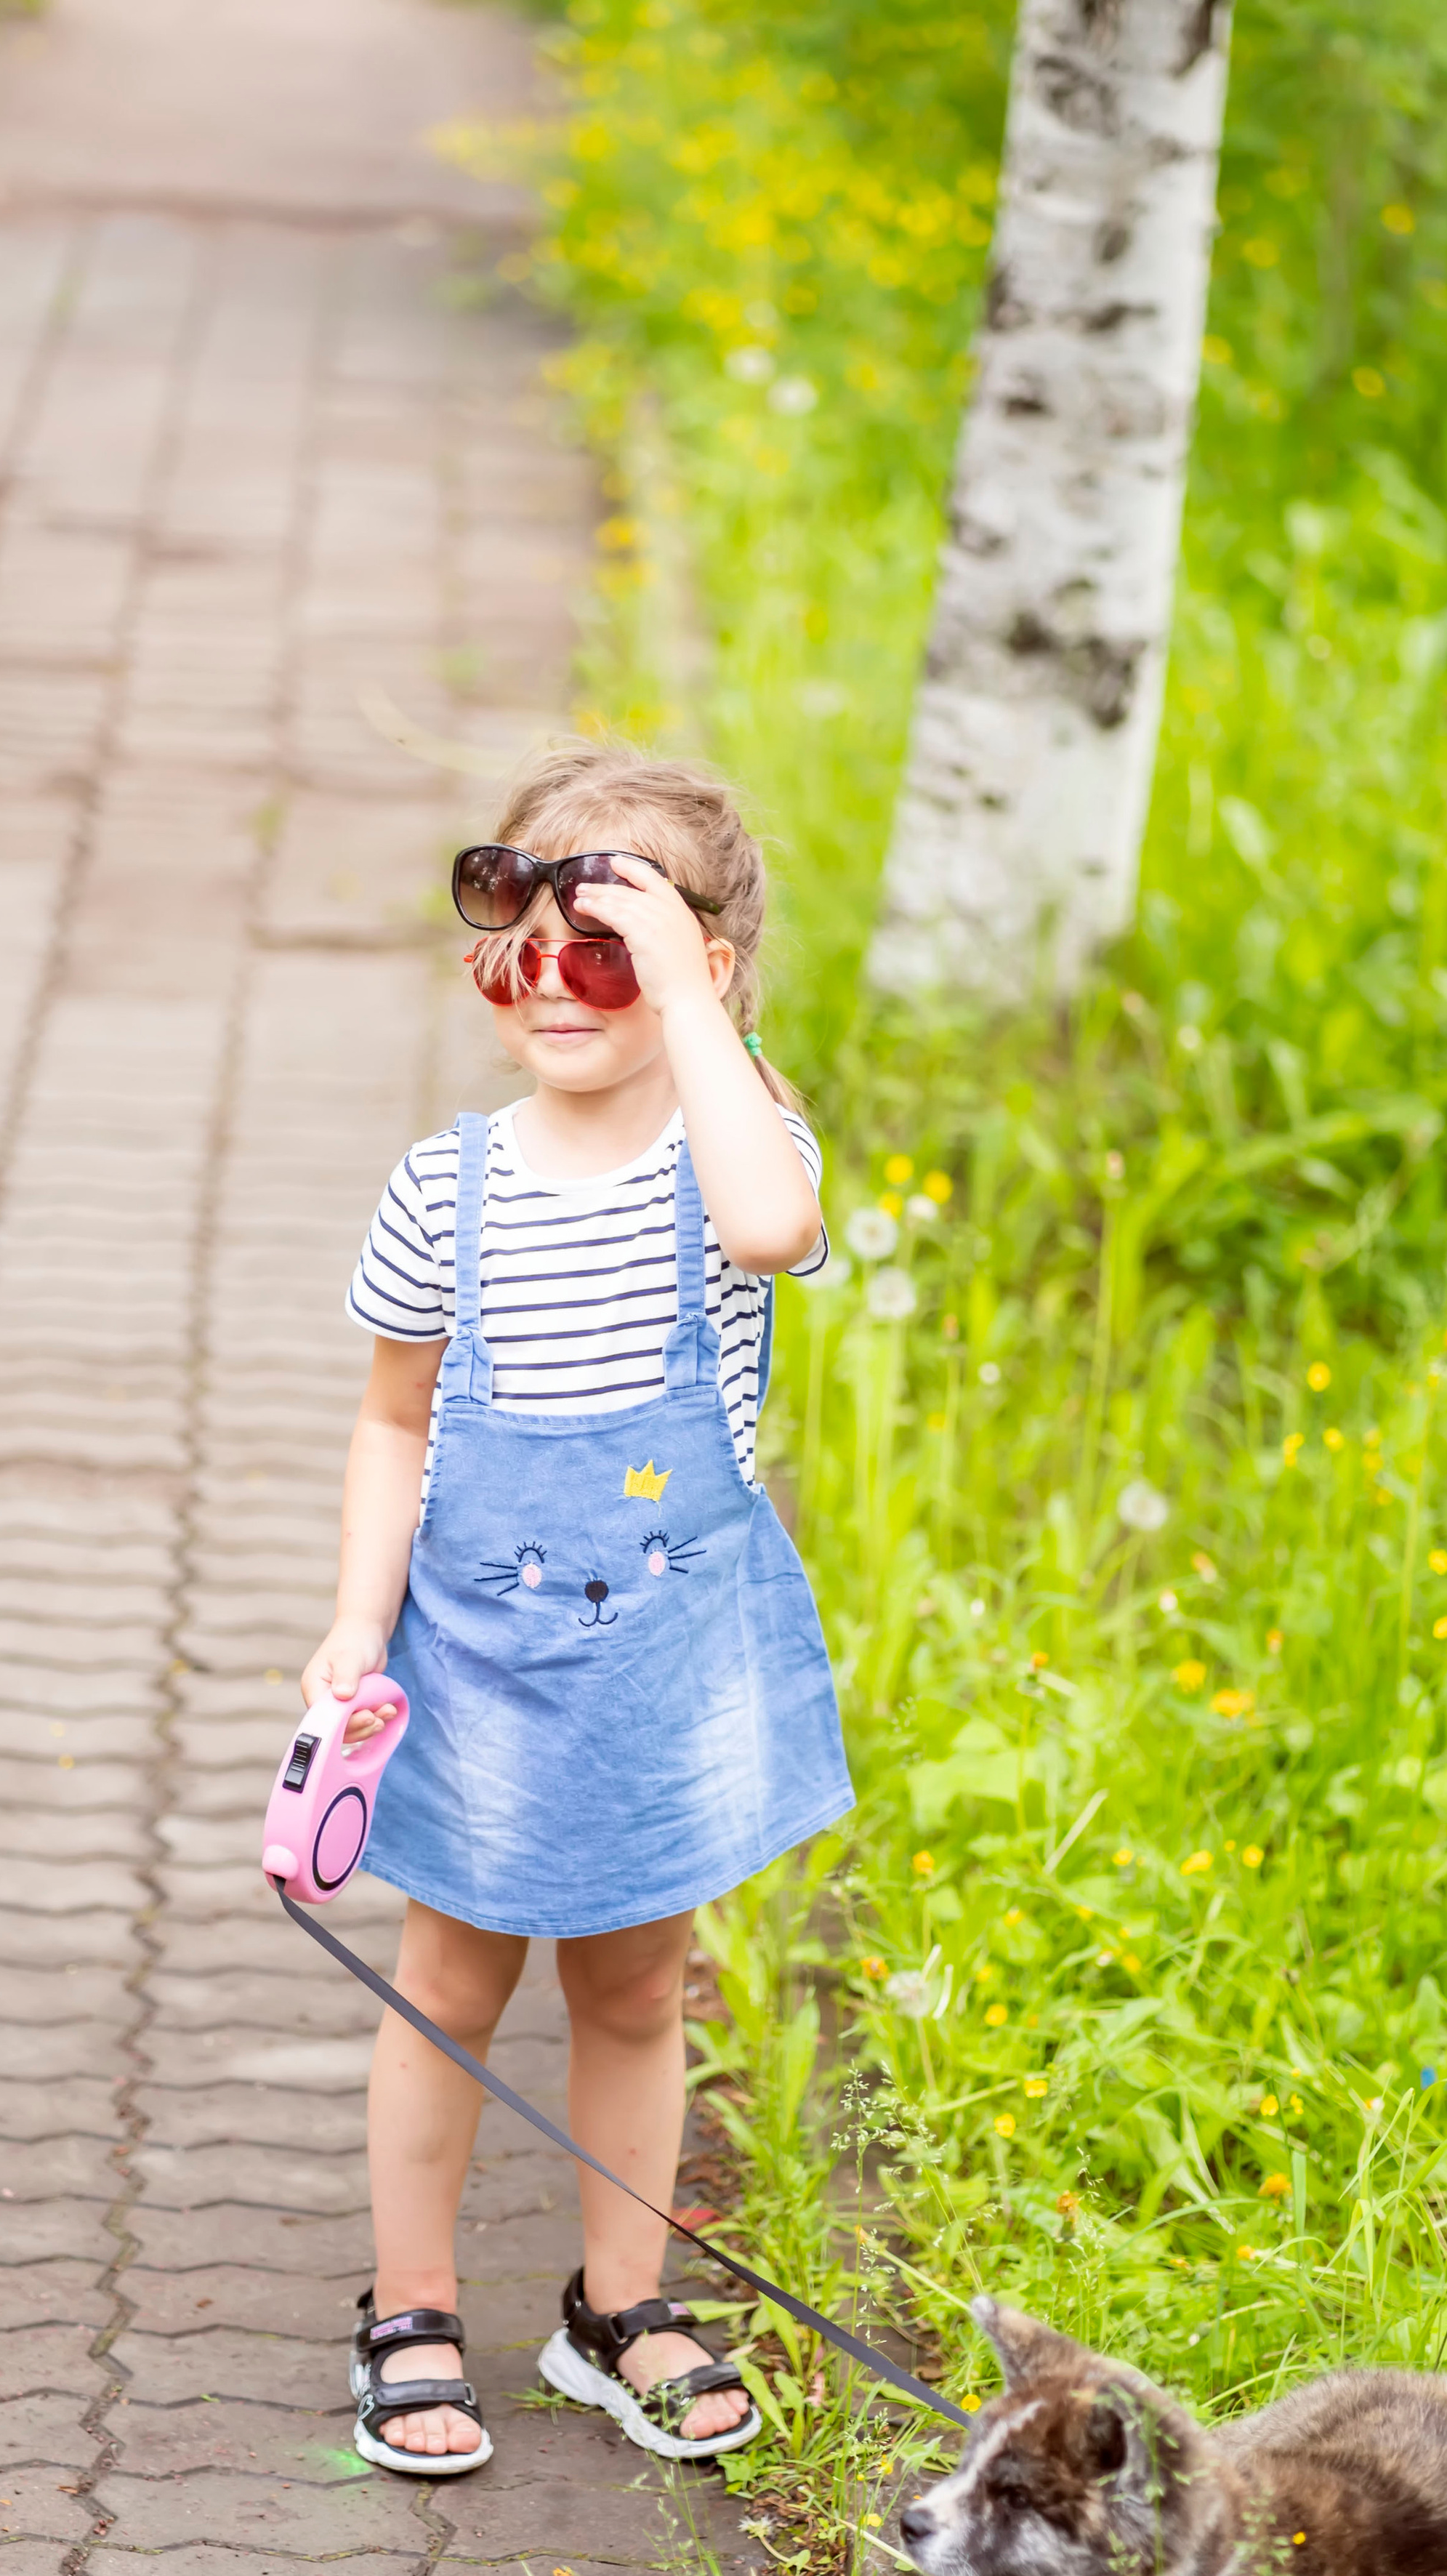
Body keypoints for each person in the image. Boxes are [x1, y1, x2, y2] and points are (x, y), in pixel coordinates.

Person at [300, 743, 852, 2477]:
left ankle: (618, 2303)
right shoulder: (441, 1187)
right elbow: (394, 1422)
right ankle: (409, 2303)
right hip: (473, 1654)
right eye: (520, 936)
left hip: (665, 1667)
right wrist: (348, 1628)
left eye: (606, 947)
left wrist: (688, 993)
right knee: (450, 1982)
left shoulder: (730, 1161)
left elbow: (776, 1224)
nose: (555, 976)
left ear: (706, 973)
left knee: (636, 1992)